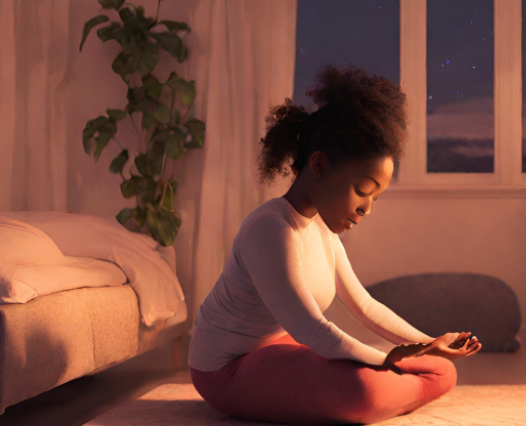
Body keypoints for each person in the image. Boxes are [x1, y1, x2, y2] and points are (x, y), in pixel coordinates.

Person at [189, 66, 481, 424]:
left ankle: (378, 396)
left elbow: (366, 307)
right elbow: (310, 329)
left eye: (375, 197)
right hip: (228, 369)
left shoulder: (323, 230)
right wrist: (388, 361)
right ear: (319, 165)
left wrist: (430, 344)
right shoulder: (270, 228)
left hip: (283, 351)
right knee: (364, 390)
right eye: (362, 190)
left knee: (440, 369)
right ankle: (377, 397)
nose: (366, 209)